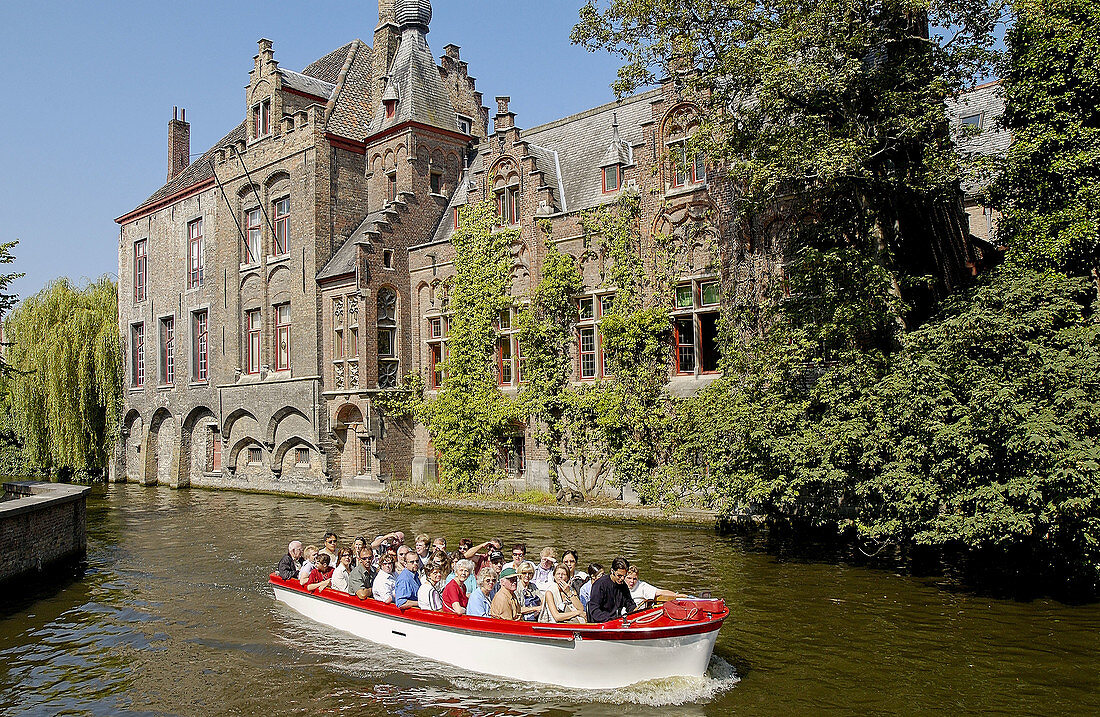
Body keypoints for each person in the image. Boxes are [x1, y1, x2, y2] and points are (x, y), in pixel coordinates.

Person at [586, 557, 636, 622]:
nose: (622, 579)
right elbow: (594, 610)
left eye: (624, 576)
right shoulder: (599, 585)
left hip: (616, 620)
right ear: (612, 571)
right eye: (619, 576)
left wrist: (635, 611)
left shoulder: (623, 585)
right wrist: (609, 620)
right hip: (602, 622)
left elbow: (629, 603)